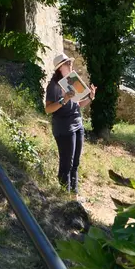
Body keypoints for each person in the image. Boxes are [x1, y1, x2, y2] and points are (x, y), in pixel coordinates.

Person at [43, 53, 89, 194]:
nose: (70, 64)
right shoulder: (53, 86)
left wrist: (91, 97)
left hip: (78, 125)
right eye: (67, 63)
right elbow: (48, 109)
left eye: (70, 62)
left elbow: (80, 104)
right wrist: (64, 100)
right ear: (59, 68)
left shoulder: (73, 80)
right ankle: (64, 196)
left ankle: (73, 195)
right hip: (64, 128)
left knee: (75, 163)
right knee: (66, 165)